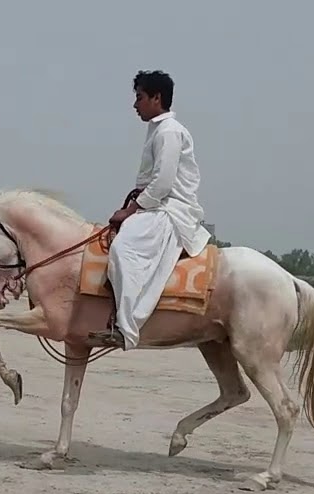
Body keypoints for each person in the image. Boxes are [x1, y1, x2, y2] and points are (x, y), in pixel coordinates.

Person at [88, 70, 213, 350]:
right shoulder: (158, 129)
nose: (135, 105)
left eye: (140, 98)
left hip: (170, 211)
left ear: (157, 98)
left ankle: (127, 329)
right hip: (157, 206)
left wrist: (130, 210)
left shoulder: (169, 132)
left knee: (123, 250)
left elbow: (162, 183)